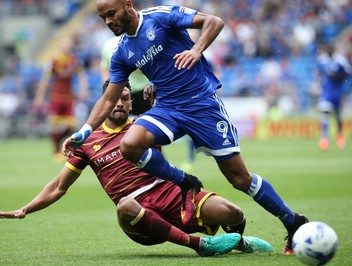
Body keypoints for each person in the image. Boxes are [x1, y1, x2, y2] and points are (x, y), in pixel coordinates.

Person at [62, 1, 308, 255]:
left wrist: (196, 50)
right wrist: (85, 131)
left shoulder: (160, 16)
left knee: (239, 179)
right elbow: (108, 98)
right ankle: (183, 181)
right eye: (103, 18)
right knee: (130, 144)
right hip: (168, 108)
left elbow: (215, 21)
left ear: (127, 5)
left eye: (111, 14)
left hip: (202, 105)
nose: (108, 22)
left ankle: (293, 222)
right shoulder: (122, 52)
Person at [0, 81, 273, 256]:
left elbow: (159, 156)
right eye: (116, 97)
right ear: (105, 102)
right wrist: (26, 208)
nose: (122, 102)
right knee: (124, 205)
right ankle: (199, 246)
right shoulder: (88, 142)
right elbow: (58, 187)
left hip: (171, 194)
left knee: (233, 213)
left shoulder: (141, 127)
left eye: (126, 97)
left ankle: (240, 244)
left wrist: (155, 108)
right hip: (138, 213)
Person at [34, 37, 88, 162]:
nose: (66, 46)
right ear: (60, 45)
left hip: (69, 97)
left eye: (68, 44)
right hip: (56, 97)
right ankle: (56, 151)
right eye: (64, 44)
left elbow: (82, 76)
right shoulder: (54, 61)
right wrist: (39, 96)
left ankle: (61, 142)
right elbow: (45, 79)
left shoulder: (75, 60)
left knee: (70, 126)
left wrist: (84, 90)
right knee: (55, 125)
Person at [316, 43, 352, 151]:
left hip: (337, 91)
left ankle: (339, 135)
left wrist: (338, 78)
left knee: (337, 115)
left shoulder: (340, 60)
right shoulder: (322, 60)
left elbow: (348, 72)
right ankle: (324, 139)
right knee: (325, 113)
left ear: (334, 50)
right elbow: (319, 70)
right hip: (326, 92)